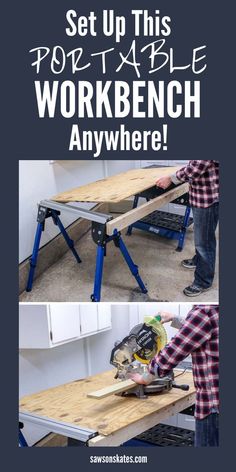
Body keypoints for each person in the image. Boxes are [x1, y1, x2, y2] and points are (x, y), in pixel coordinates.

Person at [131, 305, 219, 447]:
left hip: (213, 405)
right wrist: (174, 319)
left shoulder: (204, 311)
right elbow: (204, 328)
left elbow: (171, 354)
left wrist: (145, 378)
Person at [156, 160, 219, 296]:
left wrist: (171, 178)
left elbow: (197, 167)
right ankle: (199, 260)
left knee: (205, 243)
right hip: (201, 195)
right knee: (202, 237)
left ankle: (203, 281)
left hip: (207, 198)